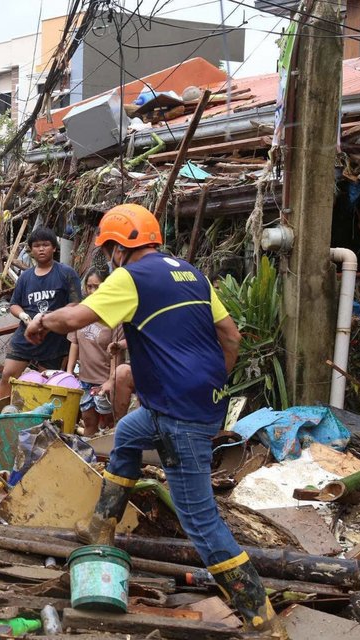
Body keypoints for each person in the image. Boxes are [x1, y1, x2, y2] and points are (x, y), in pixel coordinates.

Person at [24, 204, 285, 637]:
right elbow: (231, 337)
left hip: (179, 415)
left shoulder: (131, 277)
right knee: (128, 432)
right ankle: (101, 527)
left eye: (108, 250)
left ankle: (262, 619)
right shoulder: (192, 275)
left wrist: (40, 321)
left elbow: (74, 318)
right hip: (195, 404)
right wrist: (207, 385)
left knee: (200, 521)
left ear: (117, 248)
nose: (109, 257)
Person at [0, 227, 82, 400]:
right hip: (26, 335)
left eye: (45, 245)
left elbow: (75, 304)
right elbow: (14, 304)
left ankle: (43, 415)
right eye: (36, 246)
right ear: (31, 250)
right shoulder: (25, 277)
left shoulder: (66, 273)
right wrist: (25, 317)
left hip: (54, 339)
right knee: (8, 375)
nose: (41, 249)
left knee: (49, 383)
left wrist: (51, 320)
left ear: (54, 248)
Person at [66, 266, 128, 436]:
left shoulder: (115, 316)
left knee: (109, 423)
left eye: (98, 287)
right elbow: (75, 343)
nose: (93, 291)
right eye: (89, 287)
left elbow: (116, 351)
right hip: (84, 379)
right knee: (88, 421)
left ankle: (110, 451)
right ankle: (89, 451)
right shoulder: (80, 312)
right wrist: (69, 372)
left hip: (105, 380)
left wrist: (110, 381)